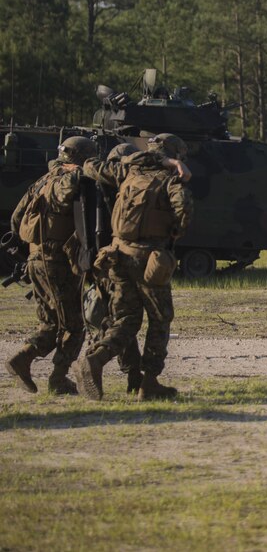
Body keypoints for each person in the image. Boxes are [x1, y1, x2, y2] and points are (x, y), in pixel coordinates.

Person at [73, 133, 192, 401]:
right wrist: (173, 232)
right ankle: (149, 383)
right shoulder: (169, 179)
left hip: (117, 255)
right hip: (149, 258)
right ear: (173, 154)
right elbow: (183, 209)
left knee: (126, 319)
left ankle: (96, 359)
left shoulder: (126, 170)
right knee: (160, 318)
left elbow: (91, 166)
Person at [5, 136, 97, 394]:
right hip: (58, 262)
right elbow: (73, 188)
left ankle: (23, 358)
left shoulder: (41, 181)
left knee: (51, 322)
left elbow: (16, 220)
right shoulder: (68, 180)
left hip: (36, 259)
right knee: (74, 324)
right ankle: (57, 378)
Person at [83, 142, 144, 394]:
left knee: (113, 318)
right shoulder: (130, 182)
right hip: (119, 261)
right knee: (126, 319)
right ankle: (93, 360)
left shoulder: (93, 181)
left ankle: (133, 376)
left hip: (95, 260)